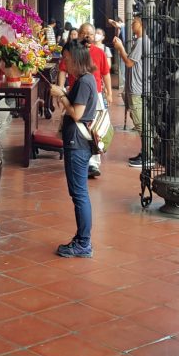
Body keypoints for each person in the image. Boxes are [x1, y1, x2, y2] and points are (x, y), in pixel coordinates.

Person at [50, 43, 97, 258]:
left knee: (79, 194)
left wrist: (61, 95)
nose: (64, 62)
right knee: (78, 193)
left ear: (76, 59)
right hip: (77, 142)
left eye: (67, 58)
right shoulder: (83, 80)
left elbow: (77, 114)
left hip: (77, 144)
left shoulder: (85, 82)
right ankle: (81, 239)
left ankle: (83, 243)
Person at [58, 24, 111, 178]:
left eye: (90, 34)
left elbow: (106, 73)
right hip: (77, 92)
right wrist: (61, 88)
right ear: (78, 34)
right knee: (81, 124)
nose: (87, 36)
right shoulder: (72, 52)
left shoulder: (99, 52)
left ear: (94, 36)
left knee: (94, 127)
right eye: (84, 33)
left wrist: (109, 93)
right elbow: (62, 70)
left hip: (96, 94)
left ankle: (93, 161)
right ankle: (83, 158)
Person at [112, 15, 149, 167]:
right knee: (139, 121)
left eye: (134, 22)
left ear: (142, 24)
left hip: (137, 87)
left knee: (141, 123)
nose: (132, 25)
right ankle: (146, 152)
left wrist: (120, 48)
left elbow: (128, 63)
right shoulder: (140, 41)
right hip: (136, 86)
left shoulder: (141, 41)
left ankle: (148, 155)